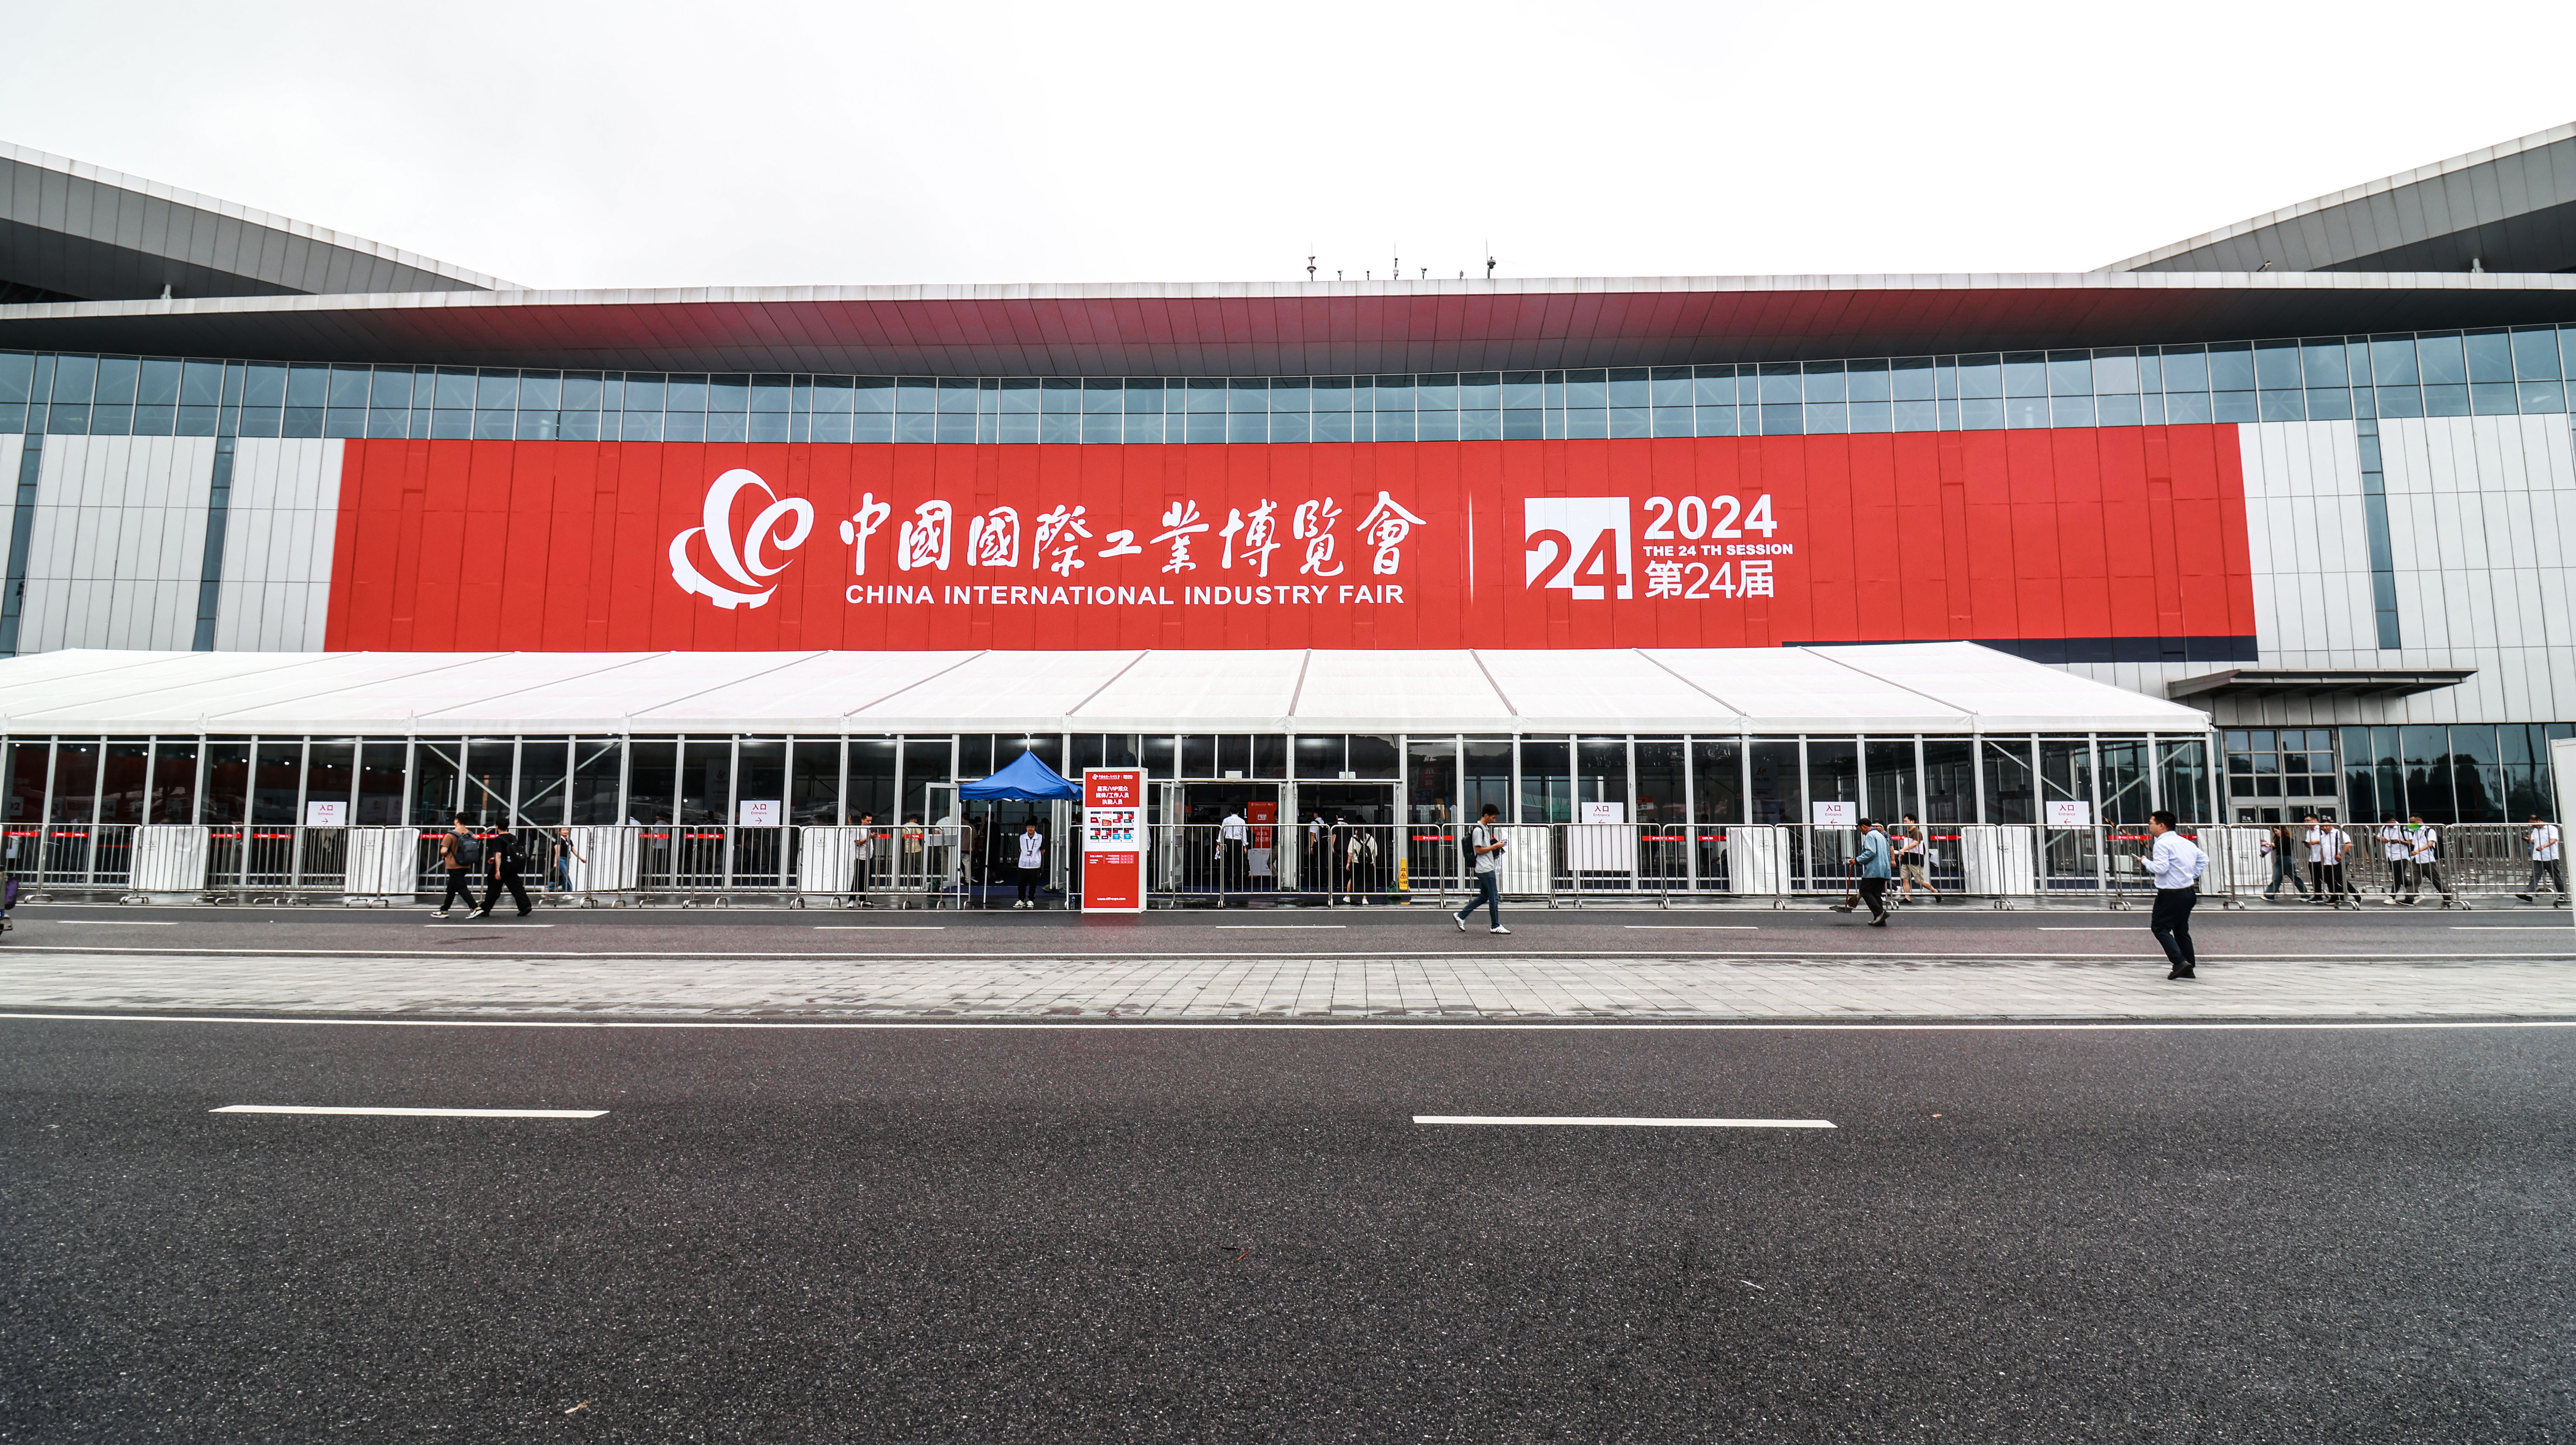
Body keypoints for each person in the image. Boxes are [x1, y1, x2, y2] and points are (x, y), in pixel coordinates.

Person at [2144, 810, 2208, 980]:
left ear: (2161, 826)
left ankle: (2179, 962)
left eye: (2151, 823)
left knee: (2160, 928)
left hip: (2170, 894)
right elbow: (2204, 859)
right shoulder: (2185, 842)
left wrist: (2145, 861)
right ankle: (2188, 968)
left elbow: (2161, 868)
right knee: (2181, 930)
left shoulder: (2162, 844)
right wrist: (2190, 875)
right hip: (2188, 892)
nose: (2149, 826)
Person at [1452, 803, 1509, 935]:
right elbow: (1478, 850)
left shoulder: (1485, 829)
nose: (1495, 820)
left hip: (1486, 866)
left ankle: (1461, 915)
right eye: (1493, 818)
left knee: (1485, 896)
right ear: (1486, 815)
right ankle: (1495, 925)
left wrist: (1495, 850)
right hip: (1485, 868)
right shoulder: (1479, 830)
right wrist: (1495, 847)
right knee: (1494, 897)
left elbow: (1483, 849)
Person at [473, 825, 531, 918]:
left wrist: (497, 871)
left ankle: (485, 909)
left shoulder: (498, 840)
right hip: (511, 865)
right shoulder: (513, 837)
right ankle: (525, 906)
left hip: (501, 866)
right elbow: (510, 852)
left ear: (497, 827)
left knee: (494, 889)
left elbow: (499, 854)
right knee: (517, 887)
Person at [2402, 813, 2458, 908]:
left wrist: (2418, 851)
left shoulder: (2429, 831)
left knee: (2435, 879)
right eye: (2410, 822)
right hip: (2416, 859)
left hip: (2427, 859)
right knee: (2415, 880)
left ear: (2420, 820)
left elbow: (2430, 844)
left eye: (2413, 822)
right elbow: (2413, 843)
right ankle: (2409, 899)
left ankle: (2448, 897)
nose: (2412, 824)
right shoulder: (2416, 831)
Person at [1848, 818, 1893, 926]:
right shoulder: (1880, 836)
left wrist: (1857, 860)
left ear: (1863, 826)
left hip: (1874, 869)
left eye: (1860, 829)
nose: (1861, 832)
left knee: (1865, 891)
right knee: (1876, 894)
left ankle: (1880, 913)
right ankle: (1880, 919)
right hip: (1884, 869)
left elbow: (1871, 852)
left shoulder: (1870, 835)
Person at [431, 815, 477, 917]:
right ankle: (444, 910)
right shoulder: (471, 834)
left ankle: (475, 907)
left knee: (461, 888)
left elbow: (444, 851)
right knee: (452, 888)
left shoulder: (450, 835)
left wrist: (445, 855)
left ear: (457, 821)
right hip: (466, 864)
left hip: (454, 865)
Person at [2518, 814, 2565, 905]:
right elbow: (2534, 841)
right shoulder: (2536, 830)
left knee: (2556, 876)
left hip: (2550, 856)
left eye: (2533, 824)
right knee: (2535, 876)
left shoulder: (2551, 828)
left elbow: (2554, 840)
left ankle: (2563, 895)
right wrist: (2529, 840)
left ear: (2539, 821)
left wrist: (2544, 846)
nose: (2533, 826)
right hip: (2538, 856)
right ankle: (2528, 894)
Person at [2261, 822, 2308, 901]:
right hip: (2279, 859)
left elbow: (2279, 846)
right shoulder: (2278, 839)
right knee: (2276, 878)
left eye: (2277, 831)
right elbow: (2276, 847)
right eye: (2275, 831)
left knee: (2295, 877)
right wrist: (2268, 847)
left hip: (2286, 859)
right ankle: (2270, 895)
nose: (2276, 833)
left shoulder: (2288, 839)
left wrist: (2268, 843)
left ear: (2282, 830)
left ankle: (2306, 895)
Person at [2377, 813, 2412, 904]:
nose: (2388, 825)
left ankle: (2392, 896)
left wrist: (2399, 842)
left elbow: (2411, 842)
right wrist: (2381, 838)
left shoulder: (2403, 828)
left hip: (2401, 855)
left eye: (2389, 823)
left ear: (2393, 820)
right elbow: (2378, 837)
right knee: (2400, 877)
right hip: (2390, 855)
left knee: (2397, 877)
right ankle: (2415, 893)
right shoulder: (2384, 828)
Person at [1012, 820, 1046, 908]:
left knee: (1033, 884)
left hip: (1035, 864)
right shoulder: (1022, 837)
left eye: (1032, 827)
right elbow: (1020, 849)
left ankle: (1031, 900)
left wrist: (1036, 857)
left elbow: (1043, 850)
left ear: (1035, 828)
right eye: (1029, 827)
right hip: (1023, 864)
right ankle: (1021, 900)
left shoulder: (1040, 837)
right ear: (1026, 828)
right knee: (1021, 883)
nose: (1030, 829)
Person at [1220, 806, 1249, 902]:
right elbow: (1244, 834)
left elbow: (1222, 832)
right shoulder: (1242, 821)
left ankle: (1230, 879)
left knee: (1229, 862)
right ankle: (1239, 884)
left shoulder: (1226, 820)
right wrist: (1245, 846)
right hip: (1238, 842)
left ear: (1230, 812)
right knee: (1239, 863)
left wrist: (1219, 843)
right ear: (1239, 812)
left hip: (1228, 842)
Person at [548, 826, 584, 892]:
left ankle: (547, 888)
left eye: (567, 830)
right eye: (564, 830)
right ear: (560, 832)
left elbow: (574, 851)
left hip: (567, 860)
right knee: (566, 876)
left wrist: (581, 859)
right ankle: (568, 892)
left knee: (563, 878)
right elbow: (557, 852)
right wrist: (556, 863)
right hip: (561, 860)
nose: (566, 831)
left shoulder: (569, 841)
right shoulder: (559, 840)